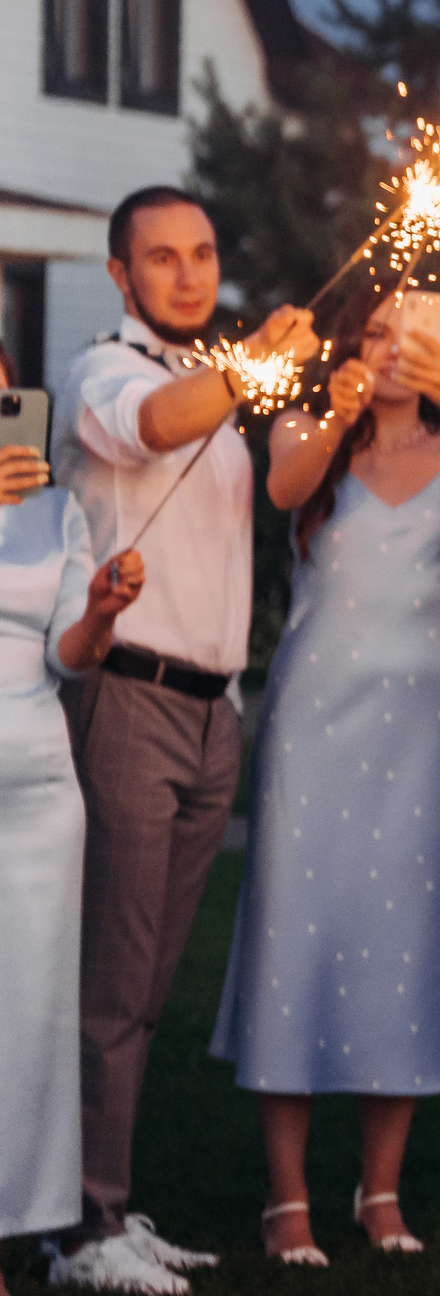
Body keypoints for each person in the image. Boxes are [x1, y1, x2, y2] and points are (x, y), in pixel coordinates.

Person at [206, 284, 440, 1265]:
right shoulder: (309, 425)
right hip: (313, 721)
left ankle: (380, 1191)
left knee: (406, 938)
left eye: (411, 331)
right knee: (295, 932)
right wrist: (339, 408)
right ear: (353, 344)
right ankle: (287, 1198)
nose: (393, 347)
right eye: (377, 330)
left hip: (426, 727)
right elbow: (286, 489)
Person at [50, 187, 317, 1293]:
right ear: (121, 275)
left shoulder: (217, 378)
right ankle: (81, 1232)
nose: (188, 273)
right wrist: (253, 362)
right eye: (161, 258)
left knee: (148, 981)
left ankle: (104, 1203)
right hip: (126, 697)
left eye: (203, 252)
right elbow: (154, 427)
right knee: (110, 982)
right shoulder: (102, 371)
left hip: (215, 711)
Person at [0, 345, 145, 1295]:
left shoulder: (57, 511)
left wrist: (100, 613)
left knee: (23, 1026)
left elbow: (69, 655)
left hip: (39, 796)